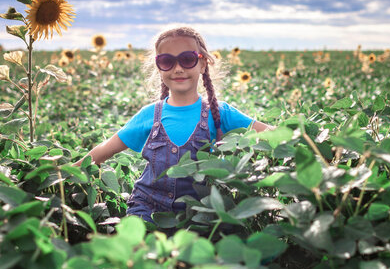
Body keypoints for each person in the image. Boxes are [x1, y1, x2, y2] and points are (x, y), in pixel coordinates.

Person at [76, 26, 272, 223]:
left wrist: (300, 135)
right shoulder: (149, 114)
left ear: (202, 64)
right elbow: (105, 149)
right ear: (159, 67)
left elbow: (271, 135)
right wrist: (68, 171)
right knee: (137, 247)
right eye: (167, 61)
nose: (178, 68)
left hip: (201, 212)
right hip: (147, 208)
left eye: (187, 59)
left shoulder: (220, 113)